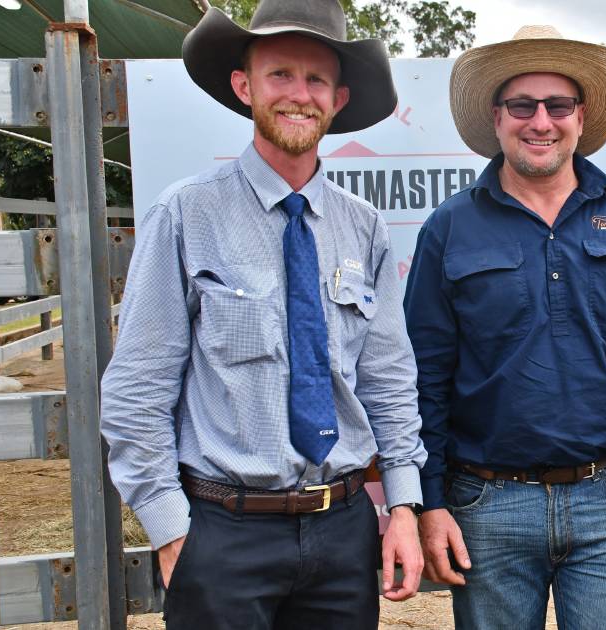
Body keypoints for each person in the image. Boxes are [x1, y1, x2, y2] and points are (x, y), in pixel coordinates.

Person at [99, 1, 426, 627]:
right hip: (224, 532)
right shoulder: (186, 215)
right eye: (280, 74)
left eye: (316, 80)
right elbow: (138, 389)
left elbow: (387, 380)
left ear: (338, 98)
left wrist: (404, 507)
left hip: (343, 532)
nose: (298, 95)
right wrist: (171, 529)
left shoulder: (365, 229)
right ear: (244, 86)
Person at [403, 25, 606, 630]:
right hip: (486, 506)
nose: (541, 121)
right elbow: (423, 375)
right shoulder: (449, 227)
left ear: (580, 116)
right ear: (497, 117)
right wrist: (429, 501)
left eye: (557, 105)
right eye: (522, 105)